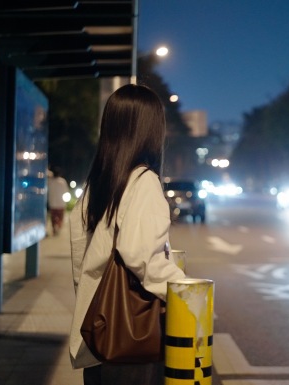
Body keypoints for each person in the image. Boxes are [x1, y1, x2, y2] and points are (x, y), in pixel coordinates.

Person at [68, 84, 186, 385]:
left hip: (97, 332)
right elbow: (140, 254)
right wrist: (188, 294)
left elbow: (82, 254)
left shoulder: (99, 183)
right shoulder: (143, 182)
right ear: (150, 129)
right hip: (131, 339)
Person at [47, 167, 69, 235]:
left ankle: (54, 228)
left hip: (52, 203)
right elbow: (66, 191)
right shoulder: (62, 181)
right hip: (61, 203)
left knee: (53, 218)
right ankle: (58, 227)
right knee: (60, 217)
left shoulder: (50, 181)